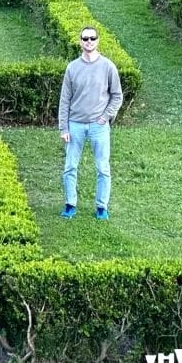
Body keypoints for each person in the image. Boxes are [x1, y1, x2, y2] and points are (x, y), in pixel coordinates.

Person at [58, 27, 123, 221]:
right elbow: (65, 100)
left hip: (98, 126)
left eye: (92, 38)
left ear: (98, 40)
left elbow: (117, 96)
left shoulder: (108, 66)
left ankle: (102, 207)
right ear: (80, 42)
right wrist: (64, 127)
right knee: (70, 166)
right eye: (85, 38)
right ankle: (70, 204)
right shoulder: (72, 67)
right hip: (75, 124)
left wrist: (105, 117)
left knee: (103, 168)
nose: (88, 41)